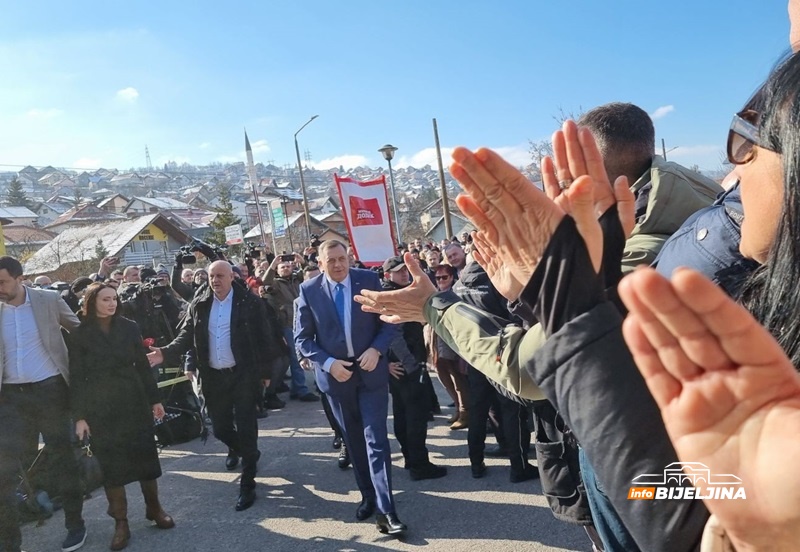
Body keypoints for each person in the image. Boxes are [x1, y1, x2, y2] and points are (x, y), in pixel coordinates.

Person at [294, 240, 406, 536]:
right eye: (331, 260)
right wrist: (328, 363)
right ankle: (367, 495)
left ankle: (387, 510)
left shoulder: (368, 280)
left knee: (376, 441)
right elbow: (302, 339)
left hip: (371, 374)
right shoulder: (308, 291)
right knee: (354, 442)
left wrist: (377, 350)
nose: (338, 265)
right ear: (320, 263)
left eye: (342, 258)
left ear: (350, 257)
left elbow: (390, 322)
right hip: (337, 378)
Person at [147, 261, 275, 512]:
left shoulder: (248, 302)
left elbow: (264, 337)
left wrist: (266, 372)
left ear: (231, 277)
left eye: (220, 276)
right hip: (214, 377)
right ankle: (247, 453)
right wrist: (165, 353)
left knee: (248, 426)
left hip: (243, 375)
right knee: (219, 427)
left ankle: (248, 482)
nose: (215, 280)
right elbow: (186, 336)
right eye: (211, 276)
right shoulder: (200, 303)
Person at [69, 284, 174, 551]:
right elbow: (77, 378)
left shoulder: (129, 327)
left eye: (114, 299)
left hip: (133, 400)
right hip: (101, 407)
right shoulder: (80, 334)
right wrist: (80, 416)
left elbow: (142, 365)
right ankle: (121, 523)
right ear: (92, 302)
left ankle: (155, 509)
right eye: (106, 299)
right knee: (113, 467)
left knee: (145, 458)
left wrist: (155, 400)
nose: (112, 303)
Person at [0, 256, 87, 552]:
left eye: (3, 282)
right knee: (4, 472)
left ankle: (75, 525)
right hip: (10, 399)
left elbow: (81, 333)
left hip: (51, 392)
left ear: (20, 278)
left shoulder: (48, 301)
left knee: (64, 461)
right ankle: (10, 543)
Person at [381, 256, 447, 481]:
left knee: (404, 415)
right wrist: (411, 365)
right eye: (398, 271)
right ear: (387, 274)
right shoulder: (392, 296)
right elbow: (393, 336)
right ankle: (419, 464)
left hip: (400, 366)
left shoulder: (398, 292)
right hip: (406, 368)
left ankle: (412, 459)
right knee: (414, 417)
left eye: (404, 270)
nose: (404, 274)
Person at [262, 254, 318, 402]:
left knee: (304, 354)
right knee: (296, 357)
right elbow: (264, 281)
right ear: (277, 270)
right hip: (287, 324)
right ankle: (301, 390)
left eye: (288, 266)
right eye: (282, 267)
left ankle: (297, 388)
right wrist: (273, 264)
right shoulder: (275, 284)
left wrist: (303, 261)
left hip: (305, 320)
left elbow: (312, 275)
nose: (286, 269)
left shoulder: (297, 279)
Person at [428, 264, 469, 429]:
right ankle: (459, 408)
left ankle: (466, 412)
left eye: (444, 277)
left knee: (458, 380)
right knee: (444, 378)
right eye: (438, 277)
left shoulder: (457, 293)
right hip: (437, 344)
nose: (441, 280)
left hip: (453, 345)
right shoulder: (435, 293)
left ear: (452, 277)